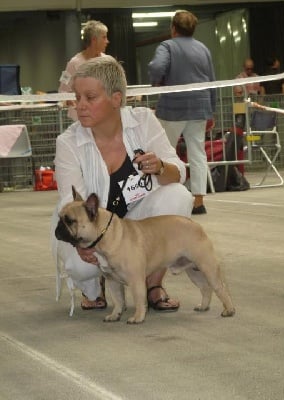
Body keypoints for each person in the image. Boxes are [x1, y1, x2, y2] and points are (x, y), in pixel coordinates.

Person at [51, 55, 194, 313]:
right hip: (88, 225)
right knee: (82, 268)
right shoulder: (67, 142)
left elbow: (180, 172)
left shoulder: (144, 121)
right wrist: (81, 243)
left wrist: (161, 167)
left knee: (178, 197)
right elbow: (69, 202)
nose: (80, 105)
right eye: (77, 97)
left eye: (90, 97)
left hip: (134, 225)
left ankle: (152, 284)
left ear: (116, 99)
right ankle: (96, 286)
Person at [148, 10, 216, 215]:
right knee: (198, 153)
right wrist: (211, 110)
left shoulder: (167, 46)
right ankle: (198, 201)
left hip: (173, 108)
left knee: (164, 152)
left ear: (173, 28)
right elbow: (213, 80)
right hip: (200, 107)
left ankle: (166, 197)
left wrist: (156, 81)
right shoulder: (203, 49)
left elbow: (157, 66)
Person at [58, 20, 109, 120]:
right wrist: (68, 100)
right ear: (94, 40)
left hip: (102, 116)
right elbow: (62, 89)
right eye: (104, 37)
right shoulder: (73, 64)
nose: (107, 41)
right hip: (80, 118)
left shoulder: (108, 61)